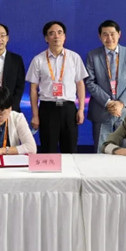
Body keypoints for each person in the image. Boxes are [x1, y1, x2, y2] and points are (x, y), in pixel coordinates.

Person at [26, 21, 88, 153]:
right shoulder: (38, 60)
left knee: (70, 150)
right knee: (48, 150)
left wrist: (81, 109)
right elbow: (33, 89)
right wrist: (35, 115)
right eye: (51, 33)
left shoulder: (74, 57)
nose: (56, 36)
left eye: (60, 33)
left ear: (64, 36)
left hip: (68, 109)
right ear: (46, 38)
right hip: (47, 109)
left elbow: (80, 84)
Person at [85, 20, 126, 153]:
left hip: (125, 112)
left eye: (112, 34)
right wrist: (108, 102)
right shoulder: (93, 55)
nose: (109, 38)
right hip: (102, 110)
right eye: (105, 34)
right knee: (102, 151)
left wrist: (121, 103)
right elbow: (90, 82)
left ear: (119, 34)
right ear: (100, 36)